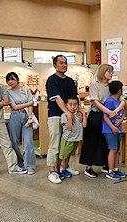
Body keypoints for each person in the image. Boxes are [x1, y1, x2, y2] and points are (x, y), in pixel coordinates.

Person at [79, 64, 125, 178]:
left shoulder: (112, 86)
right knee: (93, 141)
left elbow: (122, 100)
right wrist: (108, 112)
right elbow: (95, 101)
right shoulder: (94, 85)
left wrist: (115, 111)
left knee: (107, 142)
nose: (110, 73)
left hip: (110, 117)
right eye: (108, 71)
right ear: (102, 72)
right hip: (96, 116)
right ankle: (89, 167)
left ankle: (107, 166)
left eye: (111, 71)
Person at [45, 55, 84, 184]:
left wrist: (79, 111)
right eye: (61, 63)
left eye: (66, 63)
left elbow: (76, 97)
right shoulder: (51, 80)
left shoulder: (70, 81)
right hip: (56, 115)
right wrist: (67, 113)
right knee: (55, 143)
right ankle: (52, 171)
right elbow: (57, 98)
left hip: (71, 114)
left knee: (67, 143)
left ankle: (64, 168)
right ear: (54, 65)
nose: (64, 65)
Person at [6, 72, 36, 175]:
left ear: (17, 79)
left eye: (12, 79)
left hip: (27, 115)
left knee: (28, 142)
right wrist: (29, 103)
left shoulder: (26, 90)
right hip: (15, 116)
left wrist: (30, 118)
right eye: (8, 80)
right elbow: (15, 106)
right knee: (14, 141)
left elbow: (31, 106)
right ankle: (20, 162)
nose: (10, 82)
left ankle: (30, 166)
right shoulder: (8, 92)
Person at [58, 95, 87, 180]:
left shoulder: (79, 115)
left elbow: (84, 125)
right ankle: (57, 171)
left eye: (75, 104)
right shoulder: (64, 115)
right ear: (66, 105)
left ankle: (64, 168)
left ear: (78, 105)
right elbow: (69, 128)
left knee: (68, 155)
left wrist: (84, 114)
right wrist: (70, 117)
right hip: (68, 139)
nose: (73, 107)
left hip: (76, 139)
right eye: (70, 104)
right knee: (62, 156)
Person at [102, 81, 126, 180]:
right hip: (110, 130)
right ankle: (110, 171)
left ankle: (116, 169)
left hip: (118, 129)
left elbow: (123, 114)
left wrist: (120, 121)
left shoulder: (119, 102)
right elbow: (105, 116)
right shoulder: (109, 101)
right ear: (120, 91)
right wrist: (113, 127)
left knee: (116, 150)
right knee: (112, 149)